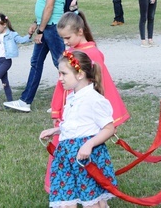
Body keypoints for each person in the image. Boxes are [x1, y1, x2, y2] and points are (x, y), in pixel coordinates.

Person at [47, 11, 130, 193]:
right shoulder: (69, 53)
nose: (65, 42)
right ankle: (68, 189)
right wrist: (57, 110)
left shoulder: (92, 54)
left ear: (79, 31)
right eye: (63, 39)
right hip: (70, 109)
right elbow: (60, 86)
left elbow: (103, 83)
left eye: (68, 37)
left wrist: (111, 116)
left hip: (84, 115)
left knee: (84, 158)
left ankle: (84, 191)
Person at [40, 51, 117, 208]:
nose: (60, 78)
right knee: (65, 197)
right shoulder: (72, 97)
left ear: (80, 74)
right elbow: (76, 124)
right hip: (66, 156)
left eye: (63, 74)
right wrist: (55, 131)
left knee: (92, 200)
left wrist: (89, 145)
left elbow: (109, 128)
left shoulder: (94, 99)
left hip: (86, 157)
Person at [5, 0, 66, 113]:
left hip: (52, 28)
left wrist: (41, 30)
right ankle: (25, 101)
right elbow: (44, 7)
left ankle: (70, 100)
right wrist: (36, 22)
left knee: (62, 64)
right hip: (45, 25)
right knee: (36, 63)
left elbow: (50, 6)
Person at [0, 13, 31, 111]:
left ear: (4, 24)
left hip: (6, 61)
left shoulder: (11, 35)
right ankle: (10, 102)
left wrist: (29, 35)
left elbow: (21, 40)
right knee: (5, 83)